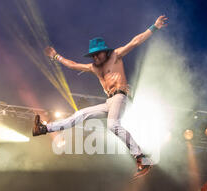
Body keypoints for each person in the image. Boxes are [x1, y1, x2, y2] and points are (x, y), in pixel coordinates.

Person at [34, 15, 168, 179]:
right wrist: (56, 56)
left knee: (112, 125)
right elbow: (73, 64)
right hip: (109, 101)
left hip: (120, 96)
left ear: (105, 52)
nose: (96, 57)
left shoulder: (116, 56)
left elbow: (135, 41)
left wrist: (154, 27)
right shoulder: (93, 67)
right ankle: (44, 128)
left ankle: (142, 158)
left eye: (98, 54)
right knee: (80, 114)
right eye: (93, 55)